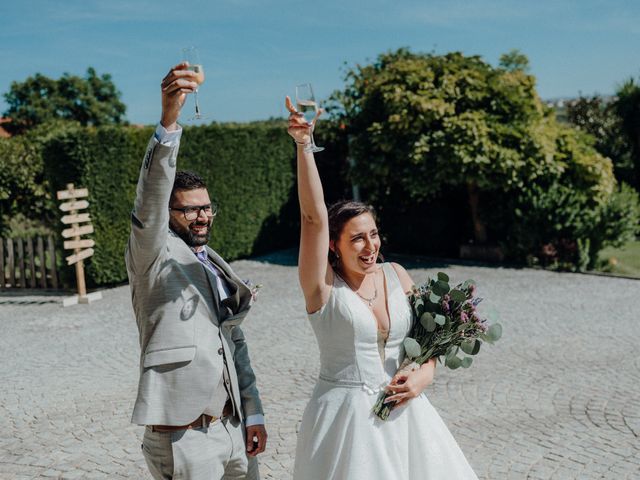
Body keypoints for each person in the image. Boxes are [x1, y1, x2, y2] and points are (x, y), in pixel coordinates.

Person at [286, 97, 478, 479]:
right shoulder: (321, 288)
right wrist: (304, 146)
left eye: (373, 234)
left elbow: (429, 342)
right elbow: (312, 218)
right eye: (357, 238)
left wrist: (426, 373)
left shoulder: (396, 274)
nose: (370, 246)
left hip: (407, 417)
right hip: (346, 423)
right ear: (333, 246)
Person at [125, 63, 267, 480]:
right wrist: (169, 122)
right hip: (184, 437)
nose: (202, 216)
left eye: (206, 207)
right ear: (168, 214)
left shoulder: (215, 261)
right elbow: (149, 201)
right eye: (189, 209)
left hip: (233, 429)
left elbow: (233, 341)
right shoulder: (152, 254)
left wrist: (253, 410)